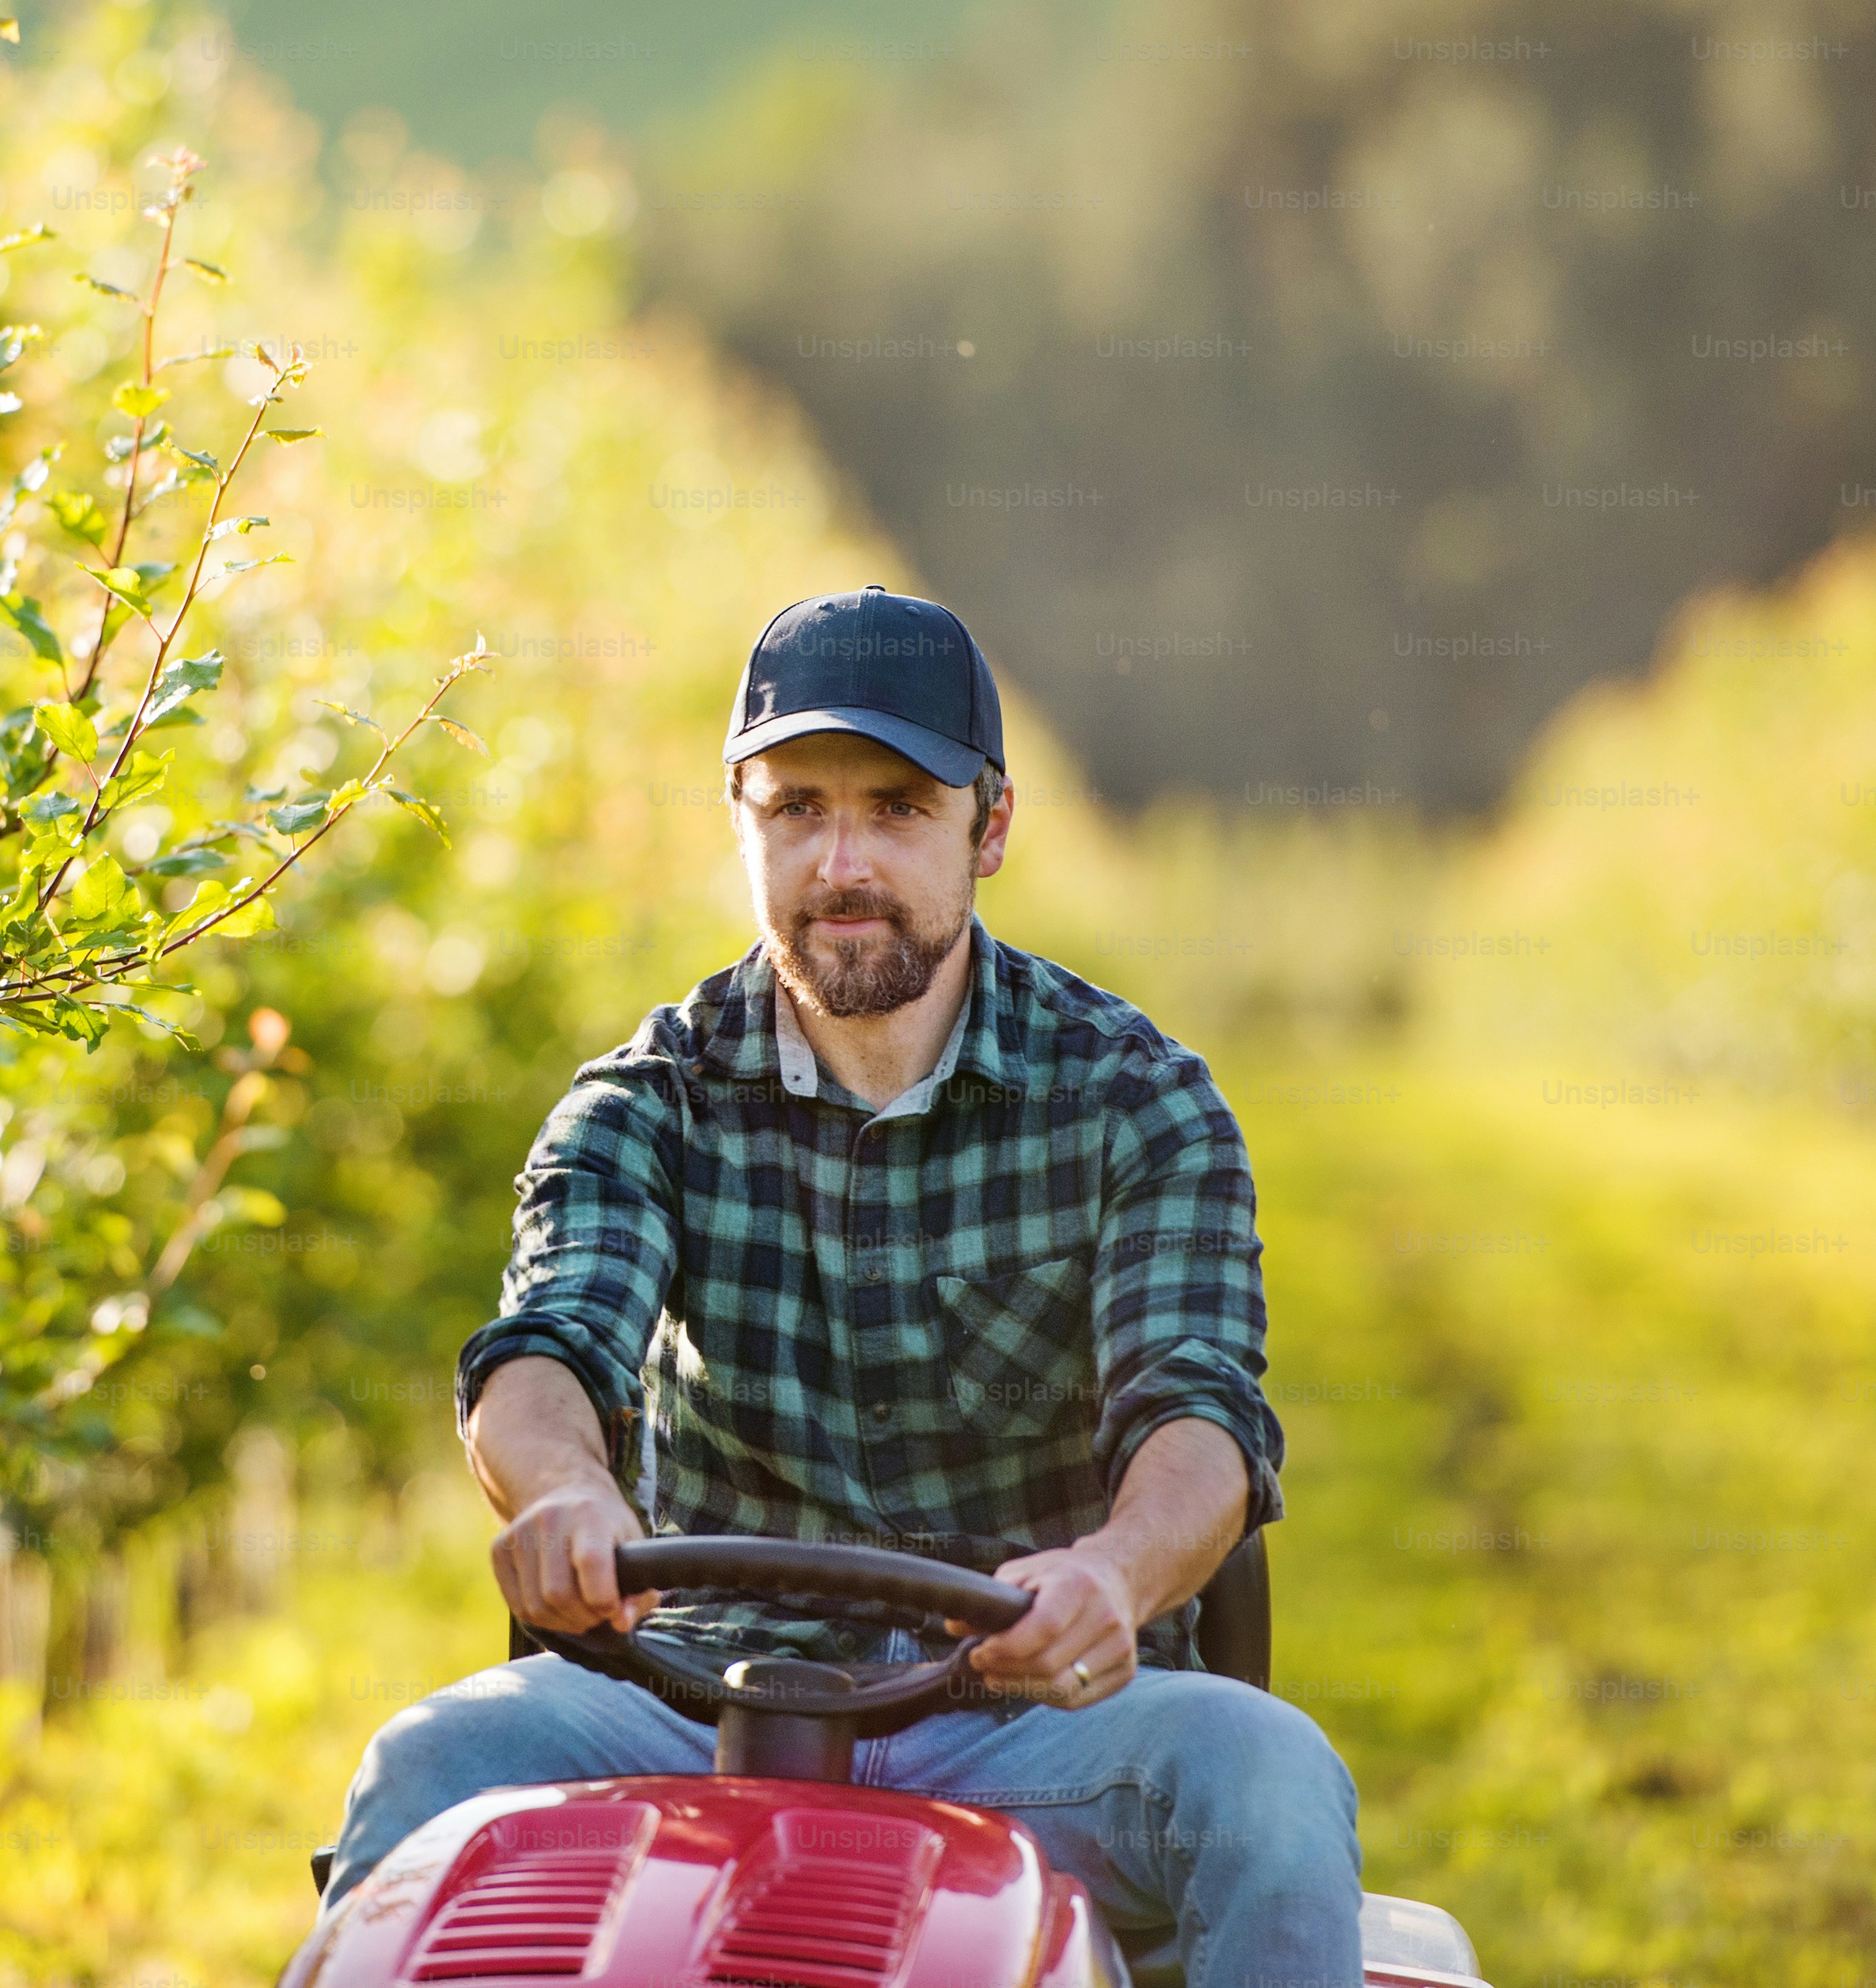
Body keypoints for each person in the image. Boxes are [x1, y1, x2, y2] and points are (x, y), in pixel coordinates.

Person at [319, 586, 1363, 1987]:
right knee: (425, 1768)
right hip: (697, 1700)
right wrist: (563, 1491)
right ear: (739, 820)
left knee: (1270, 1781)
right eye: (796, 808)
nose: (840, 862)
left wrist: (1112, 1576)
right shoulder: (646, 1102)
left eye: (897, 808)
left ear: (989, 827)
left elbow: (1198, 1416)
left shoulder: (1141, 1104)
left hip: (1023, 1717)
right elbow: (546, 1351)